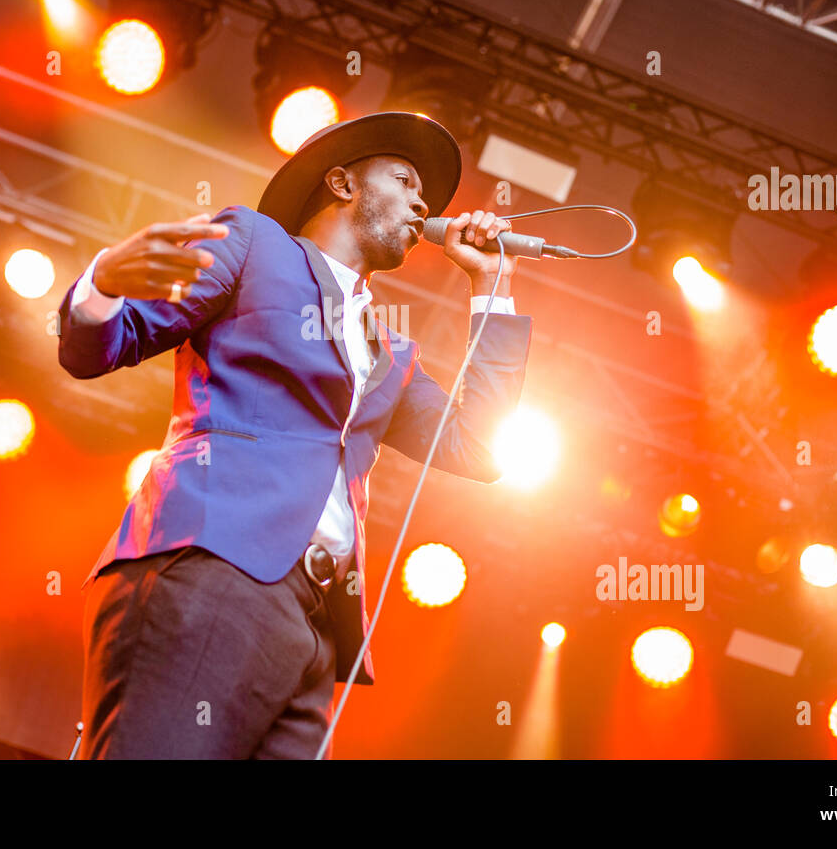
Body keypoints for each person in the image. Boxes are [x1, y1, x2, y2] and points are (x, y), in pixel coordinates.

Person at [57, 111, 533, 758]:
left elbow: (479, 446)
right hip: (214, 567)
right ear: (342, 183)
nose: (425, 202)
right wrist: (101, 288)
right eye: (404, 179)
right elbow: (105, 343)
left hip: (315, 630)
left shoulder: (391, 350)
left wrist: (492, 285)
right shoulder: (254, 245)